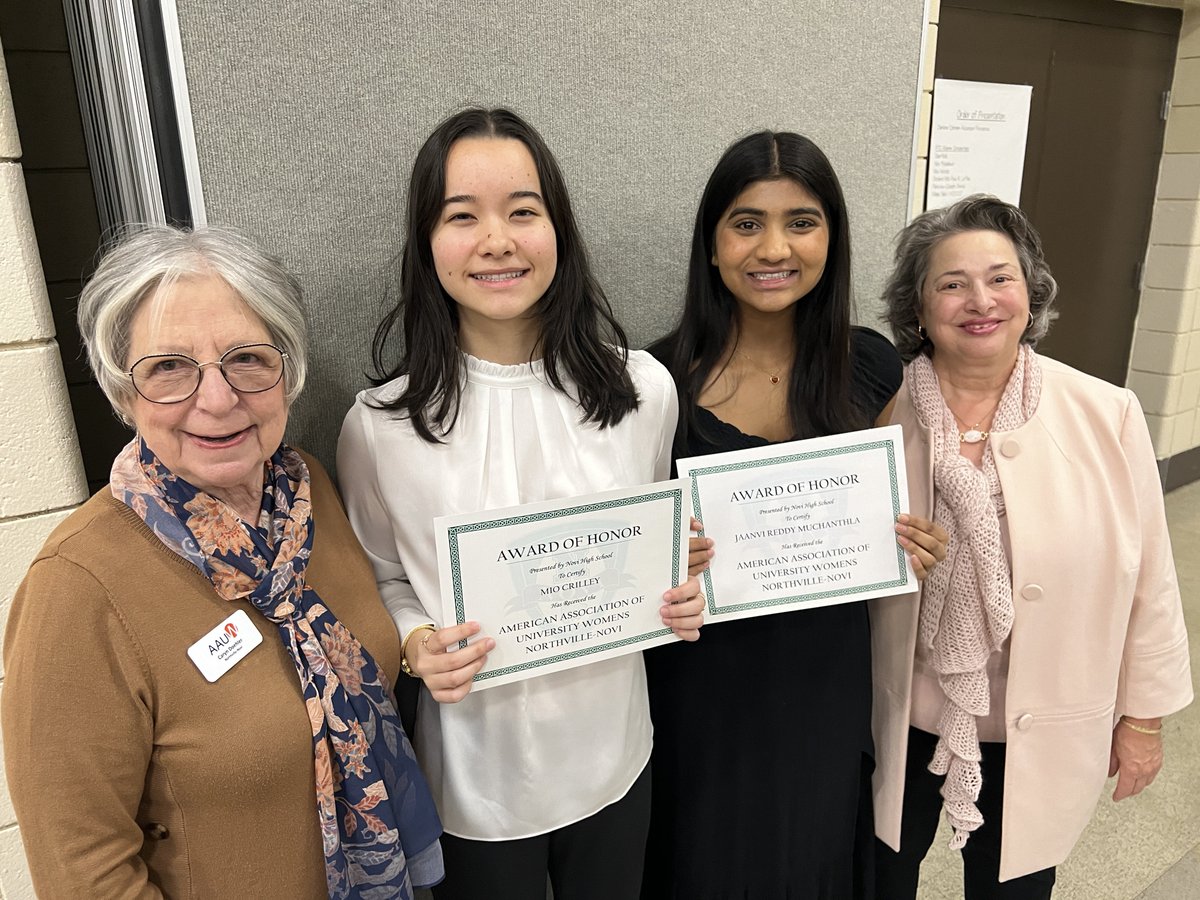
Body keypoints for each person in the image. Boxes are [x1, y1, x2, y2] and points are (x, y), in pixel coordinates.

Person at [1, 226, 443, 899]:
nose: (217, 399)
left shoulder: (309, 493)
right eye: (169, 367)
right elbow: (83, 873)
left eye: (247, 358)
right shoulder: (78, 588)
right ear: (124, 394)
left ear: (287, 371)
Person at [337, 107, 705, 900]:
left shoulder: (642, 389)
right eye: (461, 216)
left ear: (559, 230)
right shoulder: (380, 426)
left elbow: (652, 552)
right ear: (426, 242)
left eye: (523, 212)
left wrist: (680, 587)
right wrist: (415, 642)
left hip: (615, 751)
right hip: (474, 773)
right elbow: (380, 583)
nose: (496, 240)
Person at [641, 130, 947, 899]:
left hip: (826, 680)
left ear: (832, 239)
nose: (774, 247)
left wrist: (910, 542)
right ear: (711, 245)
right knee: (698, 862)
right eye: (746, 223)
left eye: (802, 222)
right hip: (699, 689)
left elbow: (901, 505)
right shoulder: (653, 381)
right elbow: (626, 544)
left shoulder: (873, 364)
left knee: (814, 859)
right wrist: (657, 557)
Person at [871, 194, 1194, 898]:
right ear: (917, 307)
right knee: (878, 880)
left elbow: (1152, 583)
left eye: (1000, 277)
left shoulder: (1105, 414)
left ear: (1031, 291)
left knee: (1013, 888)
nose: (979, 300)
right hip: (902, 721)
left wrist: (1143, 721)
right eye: (951, 283)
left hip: (1040, 724)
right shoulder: (876, 415)